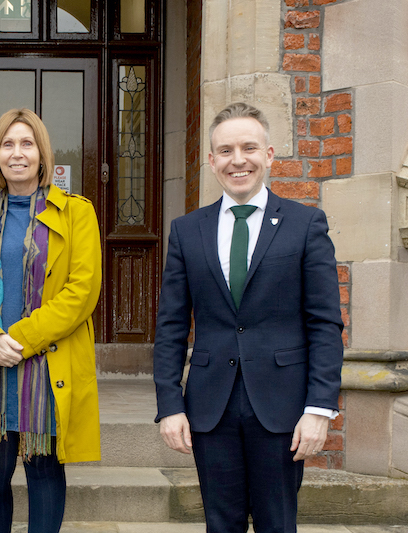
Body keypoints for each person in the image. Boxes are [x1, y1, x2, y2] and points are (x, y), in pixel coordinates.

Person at [153, 102, 344, 533]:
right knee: (221, 525)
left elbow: (325, 324)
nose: (237, 160)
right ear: (211, 161)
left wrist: (319, 407)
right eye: (225, 151)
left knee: (278, 524)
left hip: (281, 408)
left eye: (248, 148)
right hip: (210, 406)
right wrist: (169, 404)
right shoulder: (187, 230)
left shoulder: (305, 224)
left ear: (270, 154)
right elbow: (170, 326)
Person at [0, 108, 102, 533]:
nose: (17, 153)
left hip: (47, 366)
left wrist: (17, 338)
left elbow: (82, 291)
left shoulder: (76, 213)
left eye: (27, 144)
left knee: (45, 476)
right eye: (8, 144)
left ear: (42, 154)